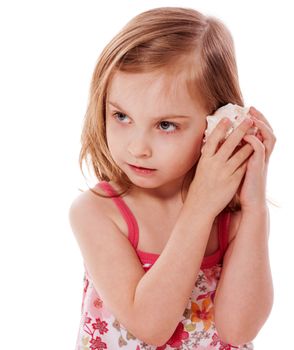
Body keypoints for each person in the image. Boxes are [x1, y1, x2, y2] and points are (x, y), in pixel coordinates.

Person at [69, 6, 275, 350]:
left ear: (218, 121)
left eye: (166, 125)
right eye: (121, 115)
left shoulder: (235, 216)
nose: (138, 148)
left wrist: (255, 208)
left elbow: (239, 331)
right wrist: (199, 208)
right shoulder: (97, 212)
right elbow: (151, 325)